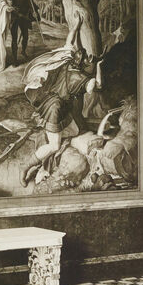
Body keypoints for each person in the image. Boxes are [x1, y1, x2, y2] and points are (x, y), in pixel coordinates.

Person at [20, 9, 102, 185]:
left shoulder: (66, 59)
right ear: (84, 66)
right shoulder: (81, 79)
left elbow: (70, 40)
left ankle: (41, 162)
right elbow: (98, 85)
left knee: (71, 131)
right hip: (55, 110)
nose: (89, 60)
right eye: (88, 60)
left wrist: (77, 26)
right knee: (54, 145)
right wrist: (99, 67)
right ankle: (25, 168)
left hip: (51, 103)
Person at [0, 0, 39, 65]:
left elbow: (32, 6)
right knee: (14, 38)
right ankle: (14, 59)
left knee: (25, 36)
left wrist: (35, 13)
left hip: (24, 18)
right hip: (14, 17)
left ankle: (23, 51)